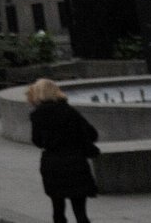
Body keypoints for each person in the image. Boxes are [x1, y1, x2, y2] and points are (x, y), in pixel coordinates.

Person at [27, 78, 99, 223]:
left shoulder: (37, 115)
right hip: (75, 163)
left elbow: (37, 140)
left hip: (53, 165)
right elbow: (92, 133)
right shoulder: (69, 111)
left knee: (58, 209)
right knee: (80, 212)